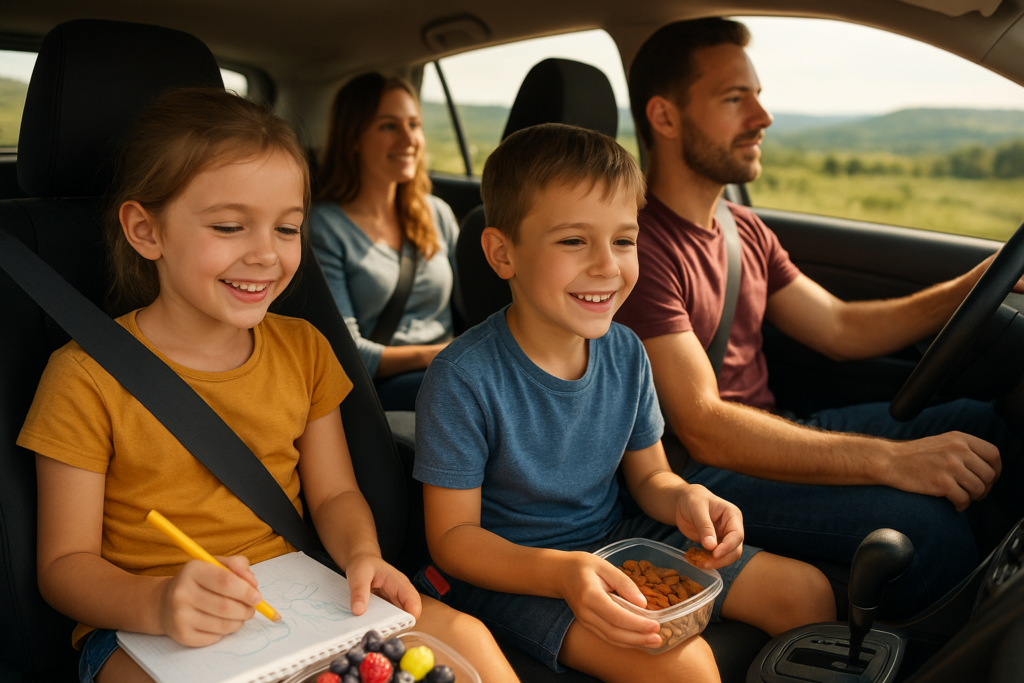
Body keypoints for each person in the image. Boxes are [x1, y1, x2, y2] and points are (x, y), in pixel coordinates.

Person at [16, 88, 519, 683]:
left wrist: (362, 555)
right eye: (230, 226)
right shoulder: (83, 378)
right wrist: (156, 603)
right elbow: (65, 566)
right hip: (144, 631)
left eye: (288, 229)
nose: (265, 255)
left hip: (303, 603)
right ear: (145, 231)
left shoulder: (304, 348)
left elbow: (333, 495)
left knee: (468, 639)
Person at [614, 17, 1023, 619]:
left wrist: (979, 281)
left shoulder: (740, 228)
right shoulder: (636, 246)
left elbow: (839, 328)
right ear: (666, 118)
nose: (762, 117)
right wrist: (892, 460)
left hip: (774, 426)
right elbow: (702, 426)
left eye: (757, 95)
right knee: (923, 526)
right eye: (735, 99)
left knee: (987, 428)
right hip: (702, 472)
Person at [412, 123, 835, 683]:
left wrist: (687, 499)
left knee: (806, 592)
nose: (607, 265)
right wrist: (564, 573)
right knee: (687, 669)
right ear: (502, 253)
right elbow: (453, 541)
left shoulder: (626, 351)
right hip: (518, 575)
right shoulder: (462, 378)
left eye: (624, 240)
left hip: (618, 541)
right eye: (573, 240)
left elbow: (650, 476)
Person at [311, 72, 460, 411]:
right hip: (384, 388)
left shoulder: (437, 214)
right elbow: (350, 353)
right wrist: (444, 355)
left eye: (414, 124)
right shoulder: (326, 228)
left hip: (452, 369)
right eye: (389, 126)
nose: (409, 139)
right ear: (354, 138)